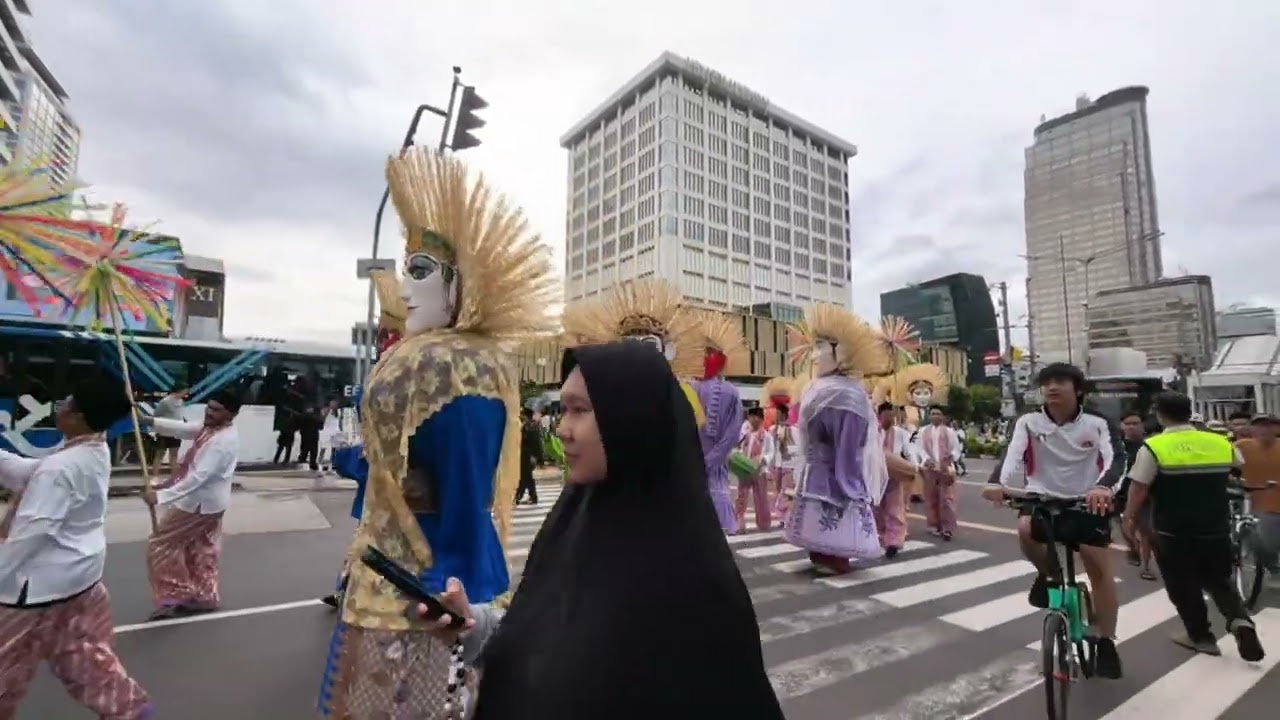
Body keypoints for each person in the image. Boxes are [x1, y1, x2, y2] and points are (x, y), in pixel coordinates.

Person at [416, 342, 785, 719]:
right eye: (563, 410)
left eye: (580, 410)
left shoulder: (694, 575)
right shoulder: (571, 521)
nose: (562, 429)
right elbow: (537, 631)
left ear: (629, 418)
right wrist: (472, 626)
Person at [317, 148, 558, 719]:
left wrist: (458, 588)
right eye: (407, 268)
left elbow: (465, 485)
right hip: (383, 585)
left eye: (420, 270)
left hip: (424, 603)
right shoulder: (423, 359)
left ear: (461, 286)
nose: (404, 287)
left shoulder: (455, 369)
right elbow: (393, 469)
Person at [0, 378, 152, 719]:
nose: (59, 408)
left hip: (34, 588)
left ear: (78, 417)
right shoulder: (92, 448)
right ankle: (128, 710)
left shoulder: (62, 466)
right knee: (82, 658)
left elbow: (31, 533)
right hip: (78, 579)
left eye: (65, 403)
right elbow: (28, 471)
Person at [983, 362, 1126, 679]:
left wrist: (1103, 487)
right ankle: (1048, 574)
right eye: (1046, 382)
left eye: (1060, 381)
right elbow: (1012, 454)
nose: (1052, 387)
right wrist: (997, 483)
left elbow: (1117, 458)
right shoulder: (1029, 422)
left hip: (1088, 500)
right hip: (1042, 499)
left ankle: (1106, 640)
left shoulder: (1098, 422)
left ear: (1078, 389)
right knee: (1024, 529)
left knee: (1097, 567)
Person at [1119, 392, 1265, 661]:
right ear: (1189, 412)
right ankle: (1240, 621)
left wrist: (1128, 518)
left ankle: (1201, 637)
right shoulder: (1220, 443)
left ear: (1160, 415)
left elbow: (1138, 488)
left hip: (1172, 529)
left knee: (1182, 584)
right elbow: (1236, 470)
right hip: (1216, 526)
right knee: (1220, 579)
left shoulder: (1154, 446)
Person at [783, 303, 891, 575]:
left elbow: (849, 441)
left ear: (839, 352)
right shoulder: (821, 388)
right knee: (817, 511)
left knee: (835, 504)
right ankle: (820, 552)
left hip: (835, 467)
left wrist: (847, 475)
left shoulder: (847, 395)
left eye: (821, 347)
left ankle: (836, 556)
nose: (814, 354)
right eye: (814, 346)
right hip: (816, 466)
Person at [143, 390, 242, 621]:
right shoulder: (211, 429)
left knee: (161, 544)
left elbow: (198, 477)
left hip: (199, 504)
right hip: (210, 504)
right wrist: (149, 421)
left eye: (217, 409)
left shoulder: (222, 441)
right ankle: (205, 596)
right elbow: (183, 429)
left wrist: (161, 496)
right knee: (201, 549)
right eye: (209, 406)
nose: (210, 412)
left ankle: (175, 595)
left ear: (231, 414)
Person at [559, 278, 706, 428]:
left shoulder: (682, 394)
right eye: (629, 345)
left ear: (667, 351)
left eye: (649, 345)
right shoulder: (604, 394)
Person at [692, 309, 749, 532]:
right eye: (702, 352)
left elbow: (731, 435)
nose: (706, 358)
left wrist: (707, 461)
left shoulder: (729, 391)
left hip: (704, 469)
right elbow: (731, 436)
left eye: (710, 352)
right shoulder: (689, 387)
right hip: (703, 468)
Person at [892, 363, 949, 505]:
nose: (922, 397)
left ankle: (925, 492)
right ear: (910, 395)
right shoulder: (906, 409)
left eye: (926, 393)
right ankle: (912, 493)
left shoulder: (930, 412)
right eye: (918, 393)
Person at [1236, 413, 1280, 592]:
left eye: (1268, 426)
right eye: (1259, 426)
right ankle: (1273, 568)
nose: (1263, 430)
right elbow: (1226, 466)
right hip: (1252, 504)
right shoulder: (1241, 447)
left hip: (1274, 503)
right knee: (1262, 537)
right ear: (1251, 429)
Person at [1114, 412, 1156, 580]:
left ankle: (1146, 566)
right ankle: (1133, 547)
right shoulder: (1115, 446)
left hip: (1145, 492)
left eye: (1135, 423)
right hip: (1120, 492)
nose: (1132, 426)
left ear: (1142, 426)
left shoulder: (1150, 445)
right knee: (1125, 526)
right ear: (1122, 426)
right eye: (1128, 423)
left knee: (1146, 530)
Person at [873, 401, 916, 557]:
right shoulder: (873, 432)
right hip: (876, 475)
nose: (889, 418)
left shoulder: (901, 433)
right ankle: (880, 533)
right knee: (876, 507)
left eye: (891, 415)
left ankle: (894, 541)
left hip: (894, 475)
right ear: (879, 416)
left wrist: (911, 466)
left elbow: (909, 451)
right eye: (886, 415)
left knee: (895, 508)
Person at [915, 406, 961, 540]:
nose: (935, 416)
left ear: (943, 417)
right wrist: (925, 459)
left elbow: (956, 448)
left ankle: (947, 528)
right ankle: (933, 525)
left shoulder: (950, 432)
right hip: (930, 469)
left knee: (947, 499)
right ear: (929, 416)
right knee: (931, 498)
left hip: (945, 469)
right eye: (933, 413)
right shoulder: (923, 431)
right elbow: (919, 448)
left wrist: (951, 457)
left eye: (938, 414)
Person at [736, 406, 775, 532]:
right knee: (741, 496)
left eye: (754, 417)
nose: (752, 420)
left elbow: (771, 452)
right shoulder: (745, 434)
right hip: (744, 468)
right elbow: (740, 448)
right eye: (750, 417)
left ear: (760, 418)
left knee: (761, 498)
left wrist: (763, 459)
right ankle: (739, 523)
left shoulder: (767, 436)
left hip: (759, 470)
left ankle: (763, 523)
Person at [150, 387, 187, 476]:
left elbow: (180, 415)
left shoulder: (181, 401)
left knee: (174, 455)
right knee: (160, 454)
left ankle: (174, 476)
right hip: (164, 432)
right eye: (185, 391)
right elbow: (156, 415)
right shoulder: (165, 402)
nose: (186, 394)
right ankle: (155, 476)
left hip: (176, 432)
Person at [515, 407, 541, 505]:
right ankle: (529, 496)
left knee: (525, 476)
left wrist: (534, 456)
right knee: (526, 476)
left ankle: (520, 496)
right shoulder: (526, 426)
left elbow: (535, 443)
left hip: (528, 455)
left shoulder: (530, 427)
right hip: (524, 455)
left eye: (522, 414)